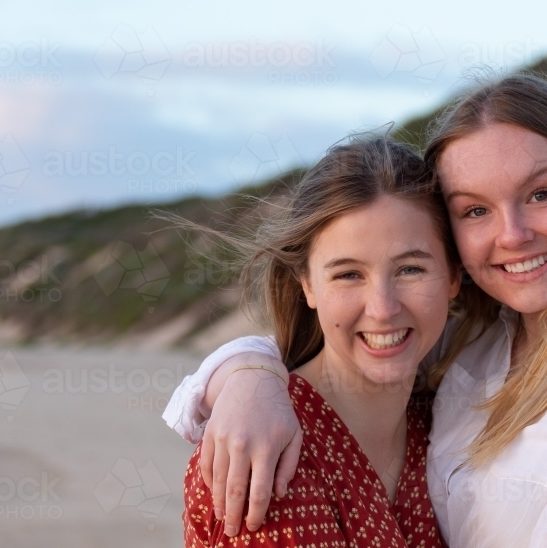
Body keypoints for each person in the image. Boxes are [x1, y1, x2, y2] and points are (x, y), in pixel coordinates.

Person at [165, 74, 547, 548]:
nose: (514, 234)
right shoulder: (466, 351)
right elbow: (350, 344)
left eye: (541, 194)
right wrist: (249, 375)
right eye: (477, 209)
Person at [178, 136, 458, 547]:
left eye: (410, 270)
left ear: (454, 275)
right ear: (307, 284)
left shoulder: (440, 418)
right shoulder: (270, 454)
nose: (382, 308)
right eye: (348, 274)